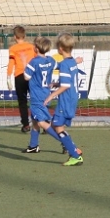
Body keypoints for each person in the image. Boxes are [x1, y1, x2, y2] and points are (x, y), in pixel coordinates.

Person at [45, 33, 85, 166]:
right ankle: (74, 149)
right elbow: (69, 81)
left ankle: (75, 155)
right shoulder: (72, 62)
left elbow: (66, 85)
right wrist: (57, 84)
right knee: (57, 126)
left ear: (60, 48)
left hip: (66, 100)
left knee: (57, 127)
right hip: (71, 98)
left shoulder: (63, 64)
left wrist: (51, 95)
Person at [21, 37, 59, 154]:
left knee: (42, 122)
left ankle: (64, 141)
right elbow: (58, 66)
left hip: (37, 97)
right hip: (46, 94)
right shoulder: (51, 60)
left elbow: (26, 77)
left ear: (36, 48)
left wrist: (25, 67)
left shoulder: (34, 62)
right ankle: (33, 145)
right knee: (35, 121)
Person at [7, 26, 35, 133]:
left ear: (15, 37)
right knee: (36, 100)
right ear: (25, 35)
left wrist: (8, 77)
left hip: (19, 76)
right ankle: (43, 122)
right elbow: (37, 60)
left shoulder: (13, 49)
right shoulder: (31, 47)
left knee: (22, 101)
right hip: (32, 75)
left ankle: (26, 125)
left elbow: (11, 63)